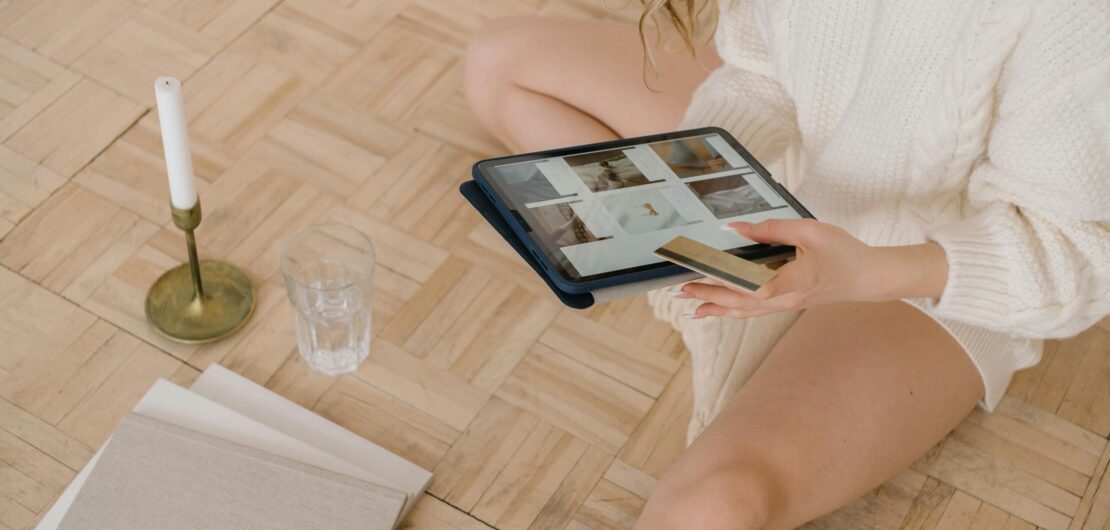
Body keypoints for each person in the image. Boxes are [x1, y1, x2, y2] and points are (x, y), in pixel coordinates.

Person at [463, 1, 1109, 528]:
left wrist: (863, 273)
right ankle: (709, 263)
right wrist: (694, 185)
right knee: (497, 65)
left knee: (709, 507)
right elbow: (761, 69)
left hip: (927, 272)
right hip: (801, 166)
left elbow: (1078, 255)